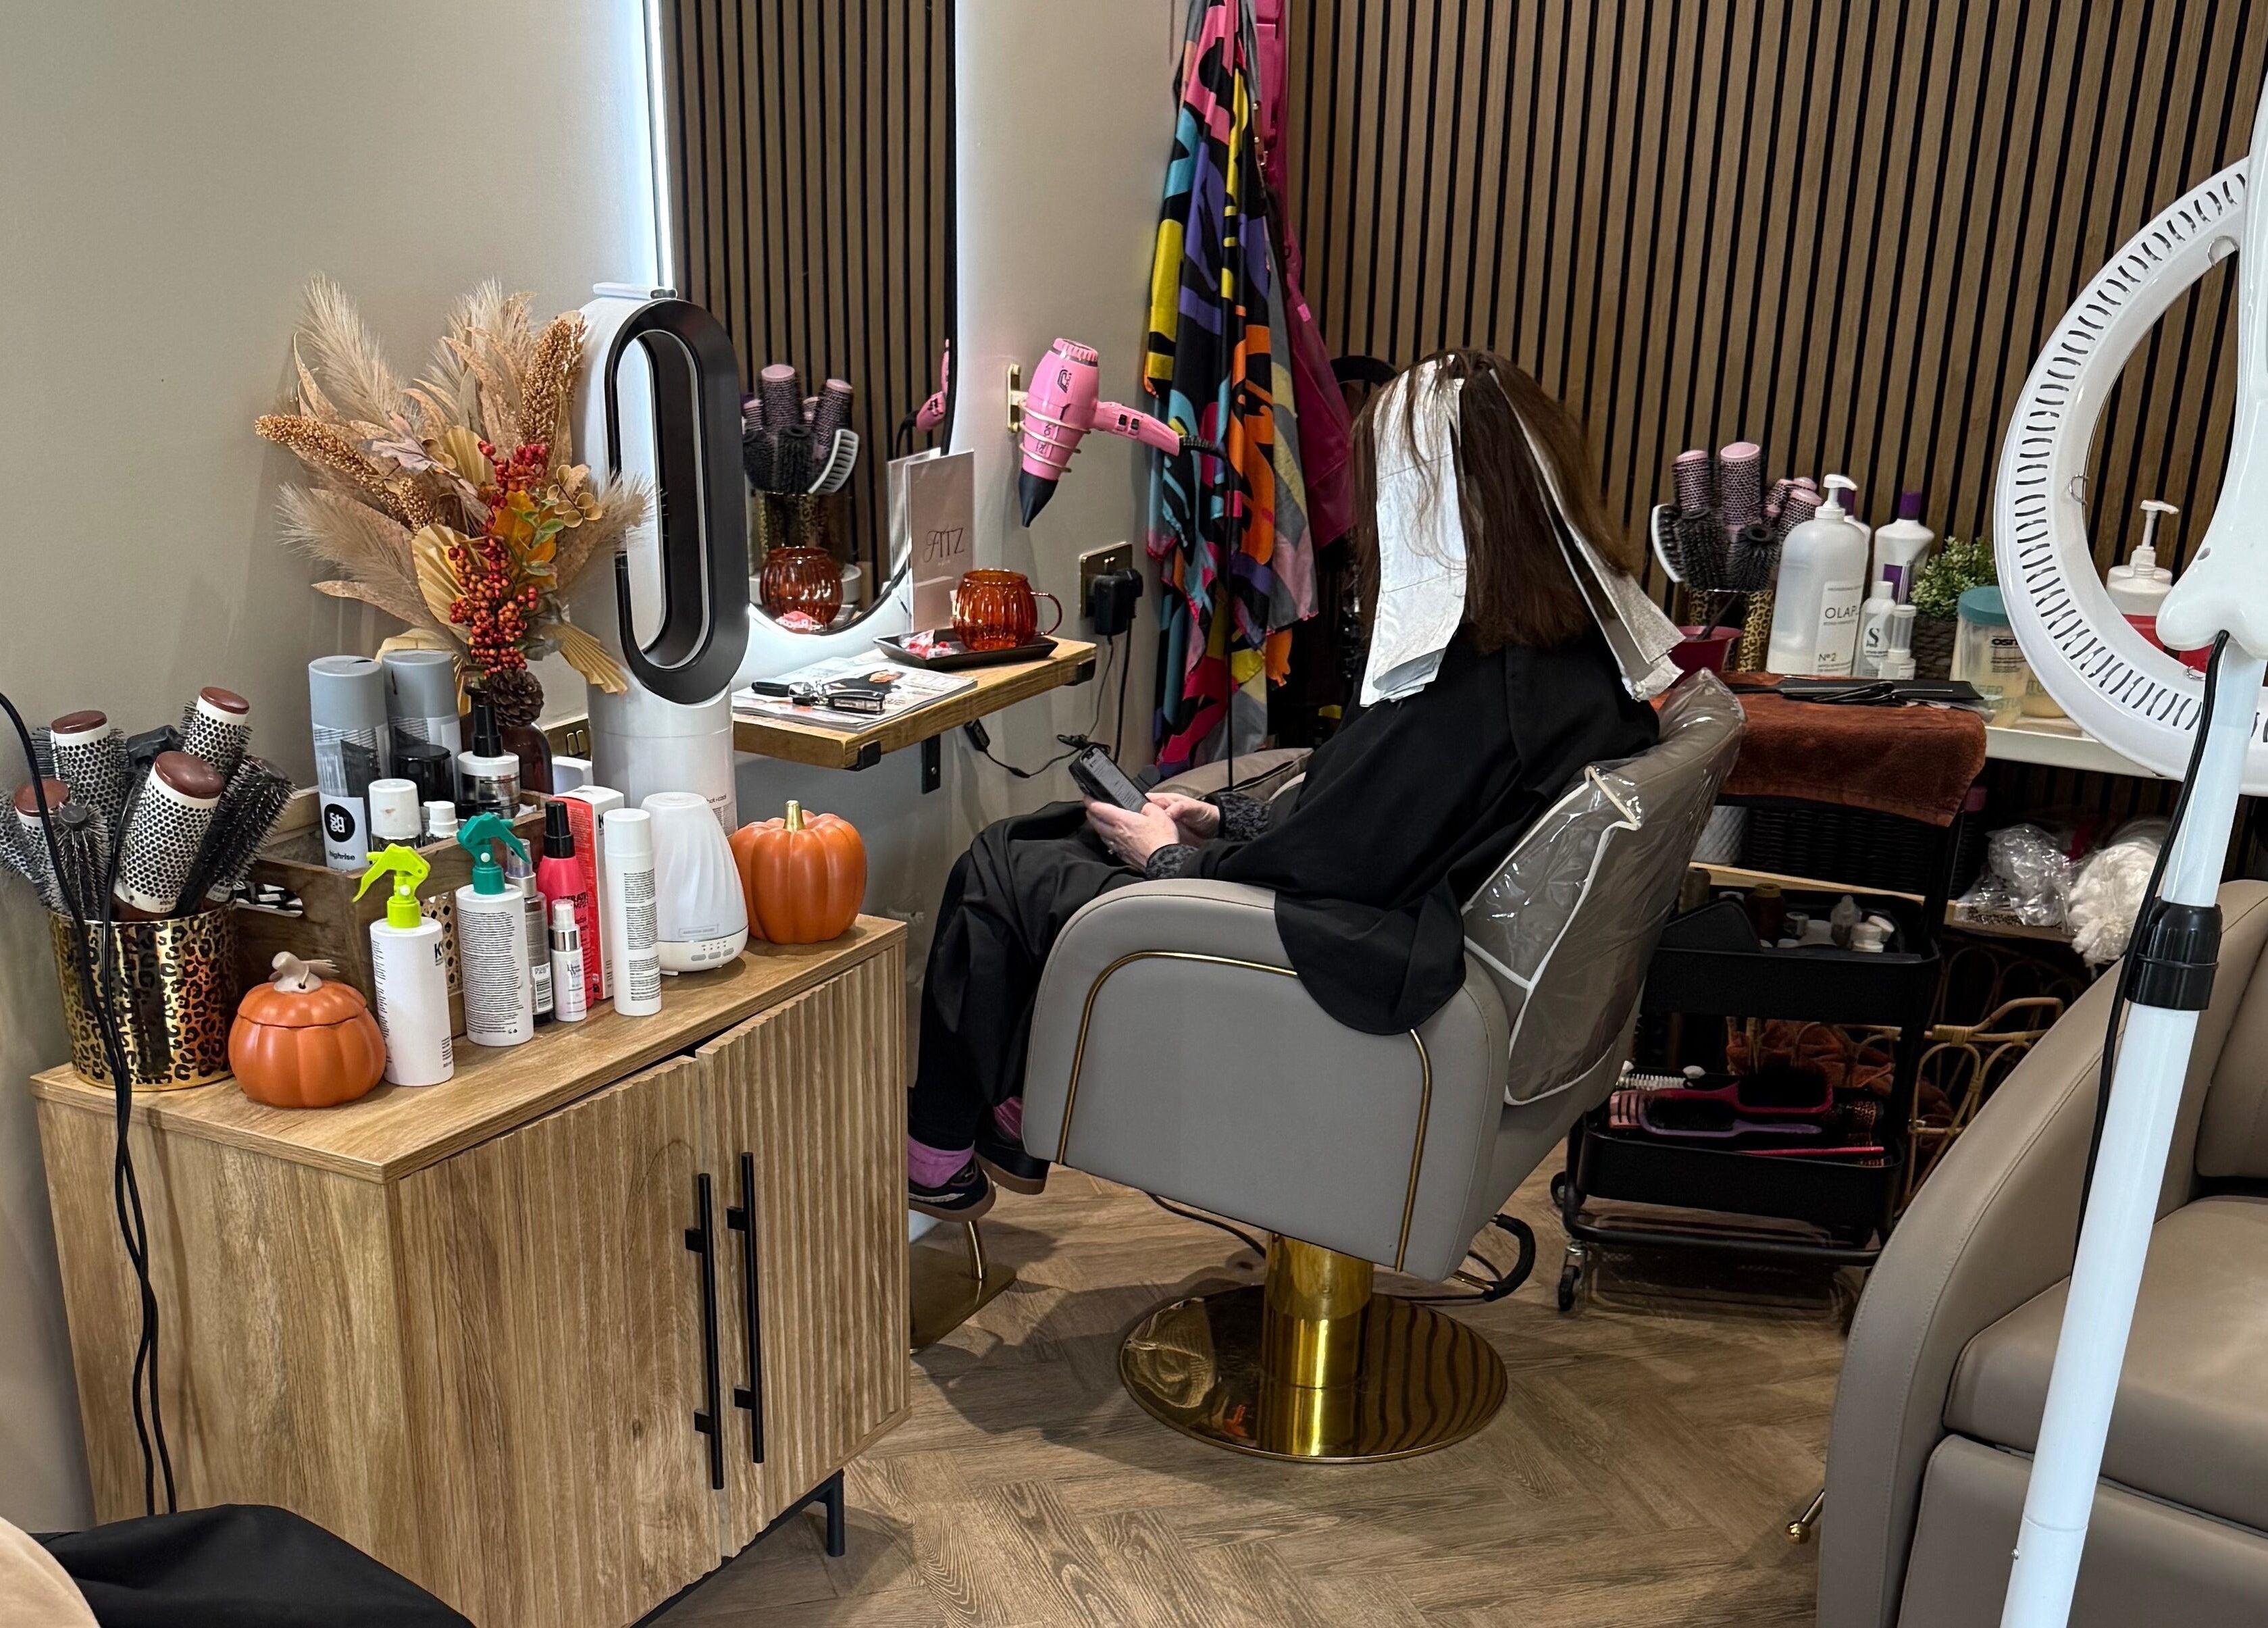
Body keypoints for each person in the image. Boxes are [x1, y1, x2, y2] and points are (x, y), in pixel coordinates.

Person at [907, 349, 1662, 1220]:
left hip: (1350, 961)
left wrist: (1176, 863)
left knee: (1010, 858)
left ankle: (951, 1139)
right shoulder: (1574, 650)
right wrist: (1237, 820)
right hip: (1406, 919)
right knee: (1073, 831)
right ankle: (1009, 1106)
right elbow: (1392, 824)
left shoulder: (1475, 681)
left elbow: (1346, 860)